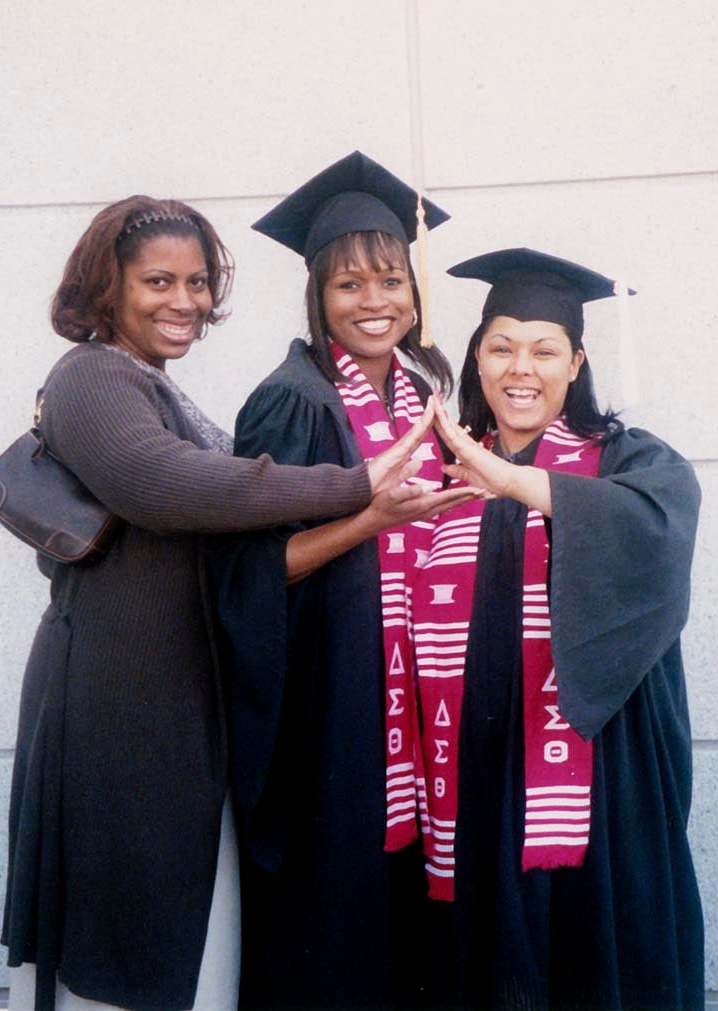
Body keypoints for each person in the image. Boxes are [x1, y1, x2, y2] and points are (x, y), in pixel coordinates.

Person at [0, 195, 432, 1011]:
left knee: (175, 938)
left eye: (197, 282)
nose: (185, 300)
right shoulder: (89, 376)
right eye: (158, 281)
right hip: (118, 701)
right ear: (108, 285)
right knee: (123, 938)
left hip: (174, 694)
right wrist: (353, 487)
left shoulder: (152, 384)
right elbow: (169, 485)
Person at [211, 152, 479, 1009]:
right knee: (335, 933)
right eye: (349, 284)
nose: (374, 302)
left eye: (391, 280)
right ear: (317, 295)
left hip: (412, 706)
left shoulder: (423, 393)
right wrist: (371, 519)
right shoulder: (294, 399)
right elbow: (249, 572)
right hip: (331, 714)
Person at [416, 247, 705, 1009]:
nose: (522, 368)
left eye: (544, 350)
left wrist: (514, 481)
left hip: (595, 781)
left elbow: (656, 529)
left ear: (576, 363)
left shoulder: (627, 460)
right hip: (474, 772)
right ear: (477, 359)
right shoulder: (441, 475)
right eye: (501, 347)